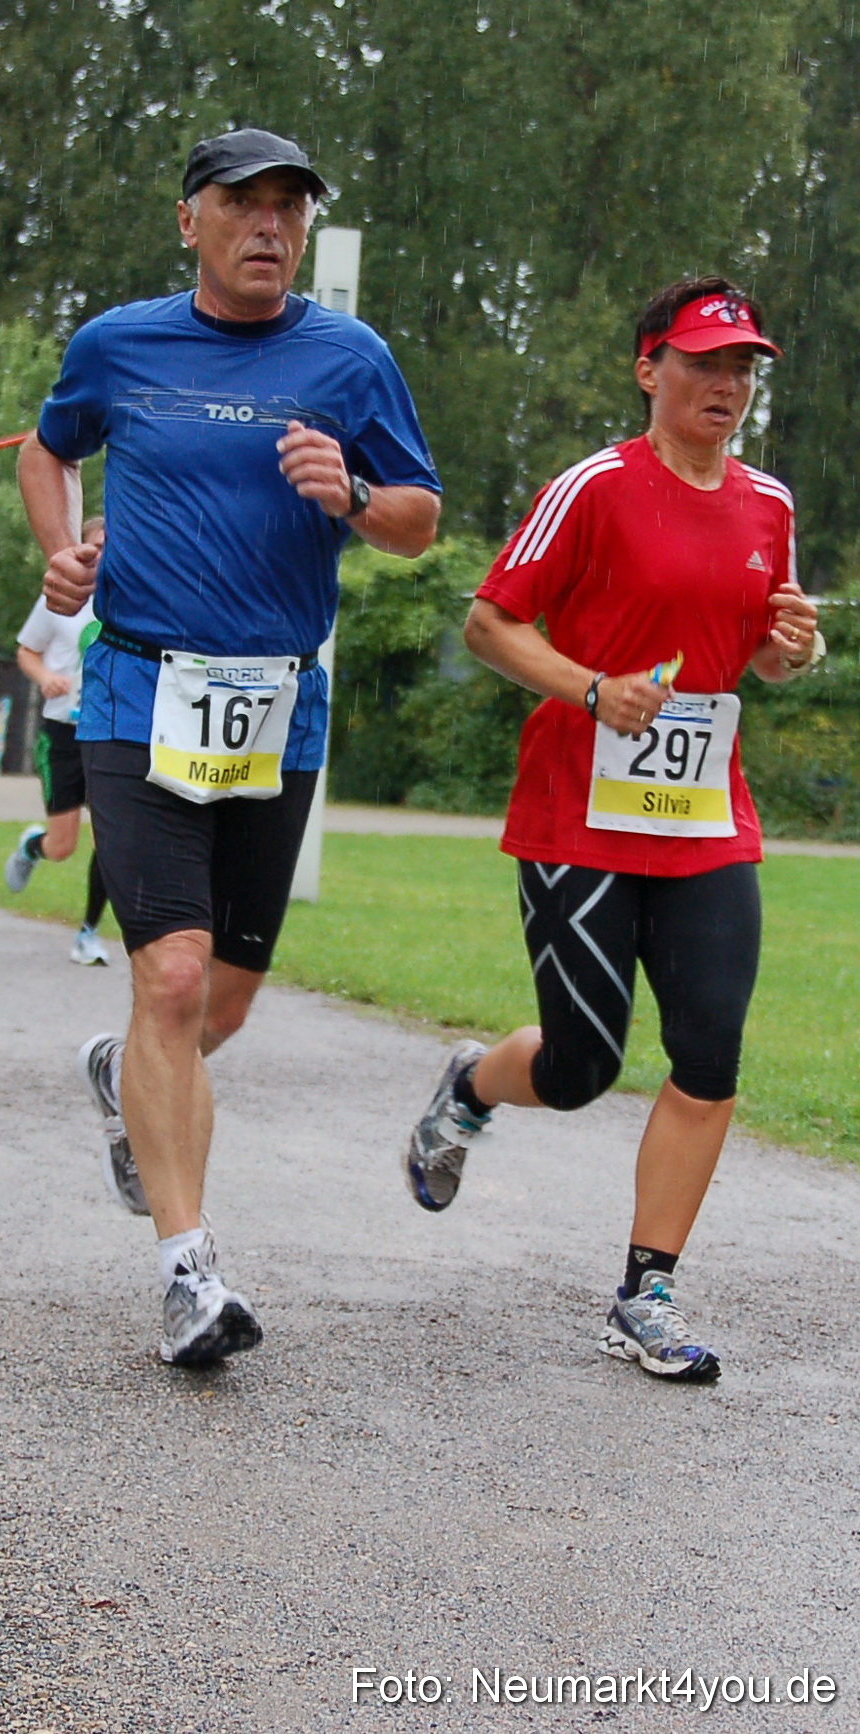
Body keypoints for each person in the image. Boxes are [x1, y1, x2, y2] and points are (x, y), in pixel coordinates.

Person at [20, 127, 441, 1365]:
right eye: (242, 203)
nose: (269, 226)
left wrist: (352, 498)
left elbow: (419, 520)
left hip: (274, 711)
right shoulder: (120, 344)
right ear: (189, 219)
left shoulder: (349, 358)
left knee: (223, 1005)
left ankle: (127, 1078)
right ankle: (188, 1274)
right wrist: (59, 551)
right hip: (137, 691)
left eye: (288, 208)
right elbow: (52, 444)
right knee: (171, 976)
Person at [404, 276, 822, 1385]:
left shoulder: (768, 505)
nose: (725, 385)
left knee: (710, 1056)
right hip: (575, 820)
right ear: (649, 370)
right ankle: (468, 1088)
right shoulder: (593, 486)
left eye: (741, 368)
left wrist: (792, 648)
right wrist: (592, 689)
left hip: (703, 822)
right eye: (702, 363)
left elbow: (762, 656)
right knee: (585, 1064)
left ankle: (645, 1292)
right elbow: (490, 624)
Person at [4, 515, 112, 966]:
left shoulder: (141, 599)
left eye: (115, 543)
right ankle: (35, 846)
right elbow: (26, 651)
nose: (105, 552)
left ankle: (88, 932)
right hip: (65, 732)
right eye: (98, 545)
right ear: (82, 550)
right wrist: (46, 675)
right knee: (63, 847)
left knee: (112, 841)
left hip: (112, 734)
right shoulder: (62, 597)